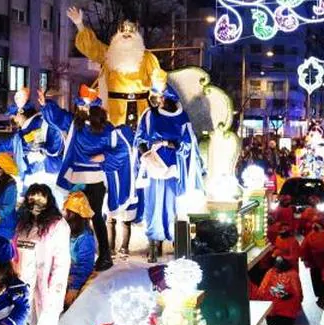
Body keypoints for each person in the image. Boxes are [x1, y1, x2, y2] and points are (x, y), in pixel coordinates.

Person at [40, 85, 134, 271]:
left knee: (96, 218)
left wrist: (105, 156)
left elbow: (123, 148)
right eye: (80, 106)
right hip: (77, 180)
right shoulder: (76, 124)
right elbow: (59, 118)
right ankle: (74, 255)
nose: (81, 109)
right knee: (75, 219)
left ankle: (104, 256)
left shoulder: (107, 129)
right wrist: (46, 105)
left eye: (84, 106)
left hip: (96, 181)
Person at [134, 78, 203, 262]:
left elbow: (188, 144)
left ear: (167, 98)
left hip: (173, 169)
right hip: (153, 167)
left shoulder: (182, 118)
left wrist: (174, 145)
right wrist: (145, 154)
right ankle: (153, 246)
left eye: (160, 96)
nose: (157, 99)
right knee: (152, 206)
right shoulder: (149, 115)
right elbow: (139, 138)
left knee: (172, 208)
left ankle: (175, 242)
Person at [12, 184, 71, 325]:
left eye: (40, 199)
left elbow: (61, 262)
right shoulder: (22, 226)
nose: (35, 204)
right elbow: (14, 254)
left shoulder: (58, 226)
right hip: (22, 288)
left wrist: (55, 291)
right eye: (32, 199)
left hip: (47, 290)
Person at [255, 255, 302, 325]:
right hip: (285, 313)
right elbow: (298, 295)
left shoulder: (271, 273)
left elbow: (261, 291)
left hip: (275, 312)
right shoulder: (292, 274)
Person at [64, 192, 98, 307]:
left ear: (74, 215)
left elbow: (85, 265)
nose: (64, 214)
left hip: (77, 279)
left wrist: (74, 287)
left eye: (67, 212)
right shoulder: (64, 230)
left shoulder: (85, 237)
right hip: (65, 275)